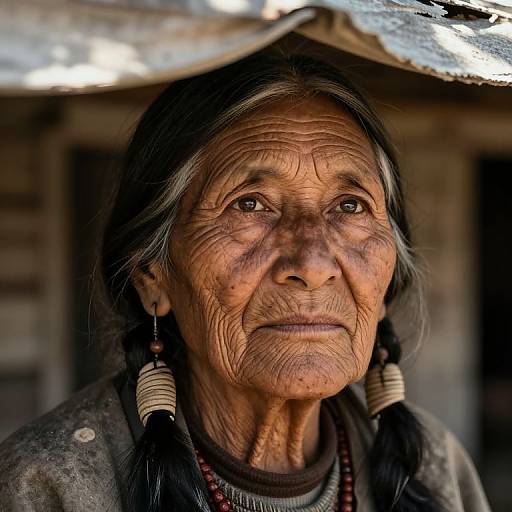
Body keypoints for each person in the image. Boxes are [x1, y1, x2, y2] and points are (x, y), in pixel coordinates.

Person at [0, 49, 491, 512]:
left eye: (349, 206)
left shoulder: (434, 468)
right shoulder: (50, 484)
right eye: (250, 204)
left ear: (385, 285)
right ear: (153, 276)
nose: (314, 263)